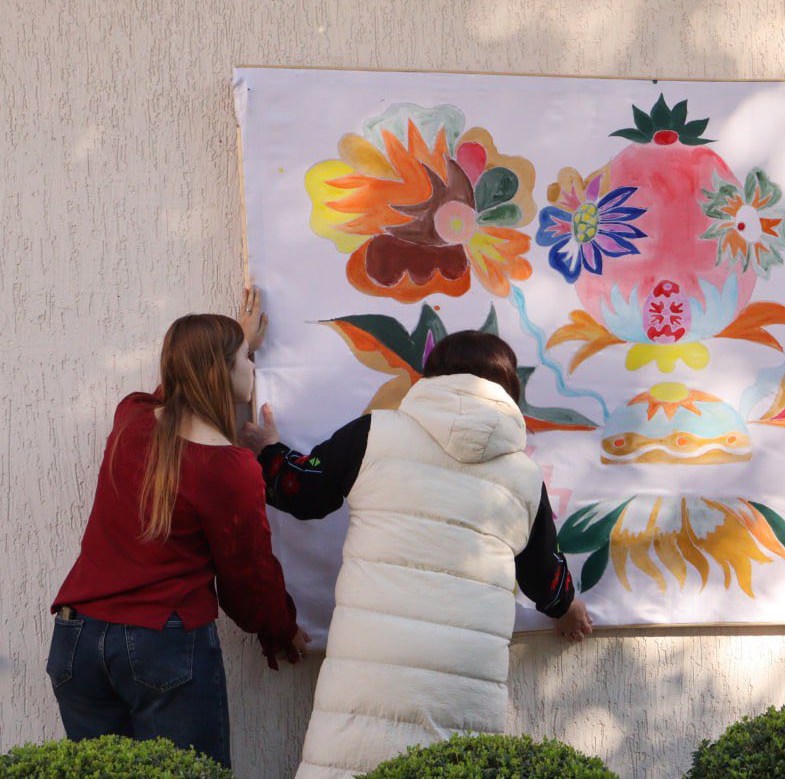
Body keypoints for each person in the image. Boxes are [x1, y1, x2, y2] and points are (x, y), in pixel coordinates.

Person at [237, 329, 592, 778]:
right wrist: (567, 608)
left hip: (372, 673)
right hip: (462, 685)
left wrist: (269, 452)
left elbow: (303, 492)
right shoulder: (524, 477)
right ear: (509, 391)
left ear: (431, 375)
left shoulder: (375, 434)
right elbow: (544, 576)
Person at [47, 290, 308, 768]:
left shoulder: (131, 417)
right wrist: (281, 628)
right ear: (221, 372)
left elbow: (169, 392)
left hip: (75, 639)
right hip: (158, 644)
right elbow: (247, 577)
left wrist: (232, 340)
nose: (252, 366)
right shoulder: (229, 467)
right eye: (244, 358)